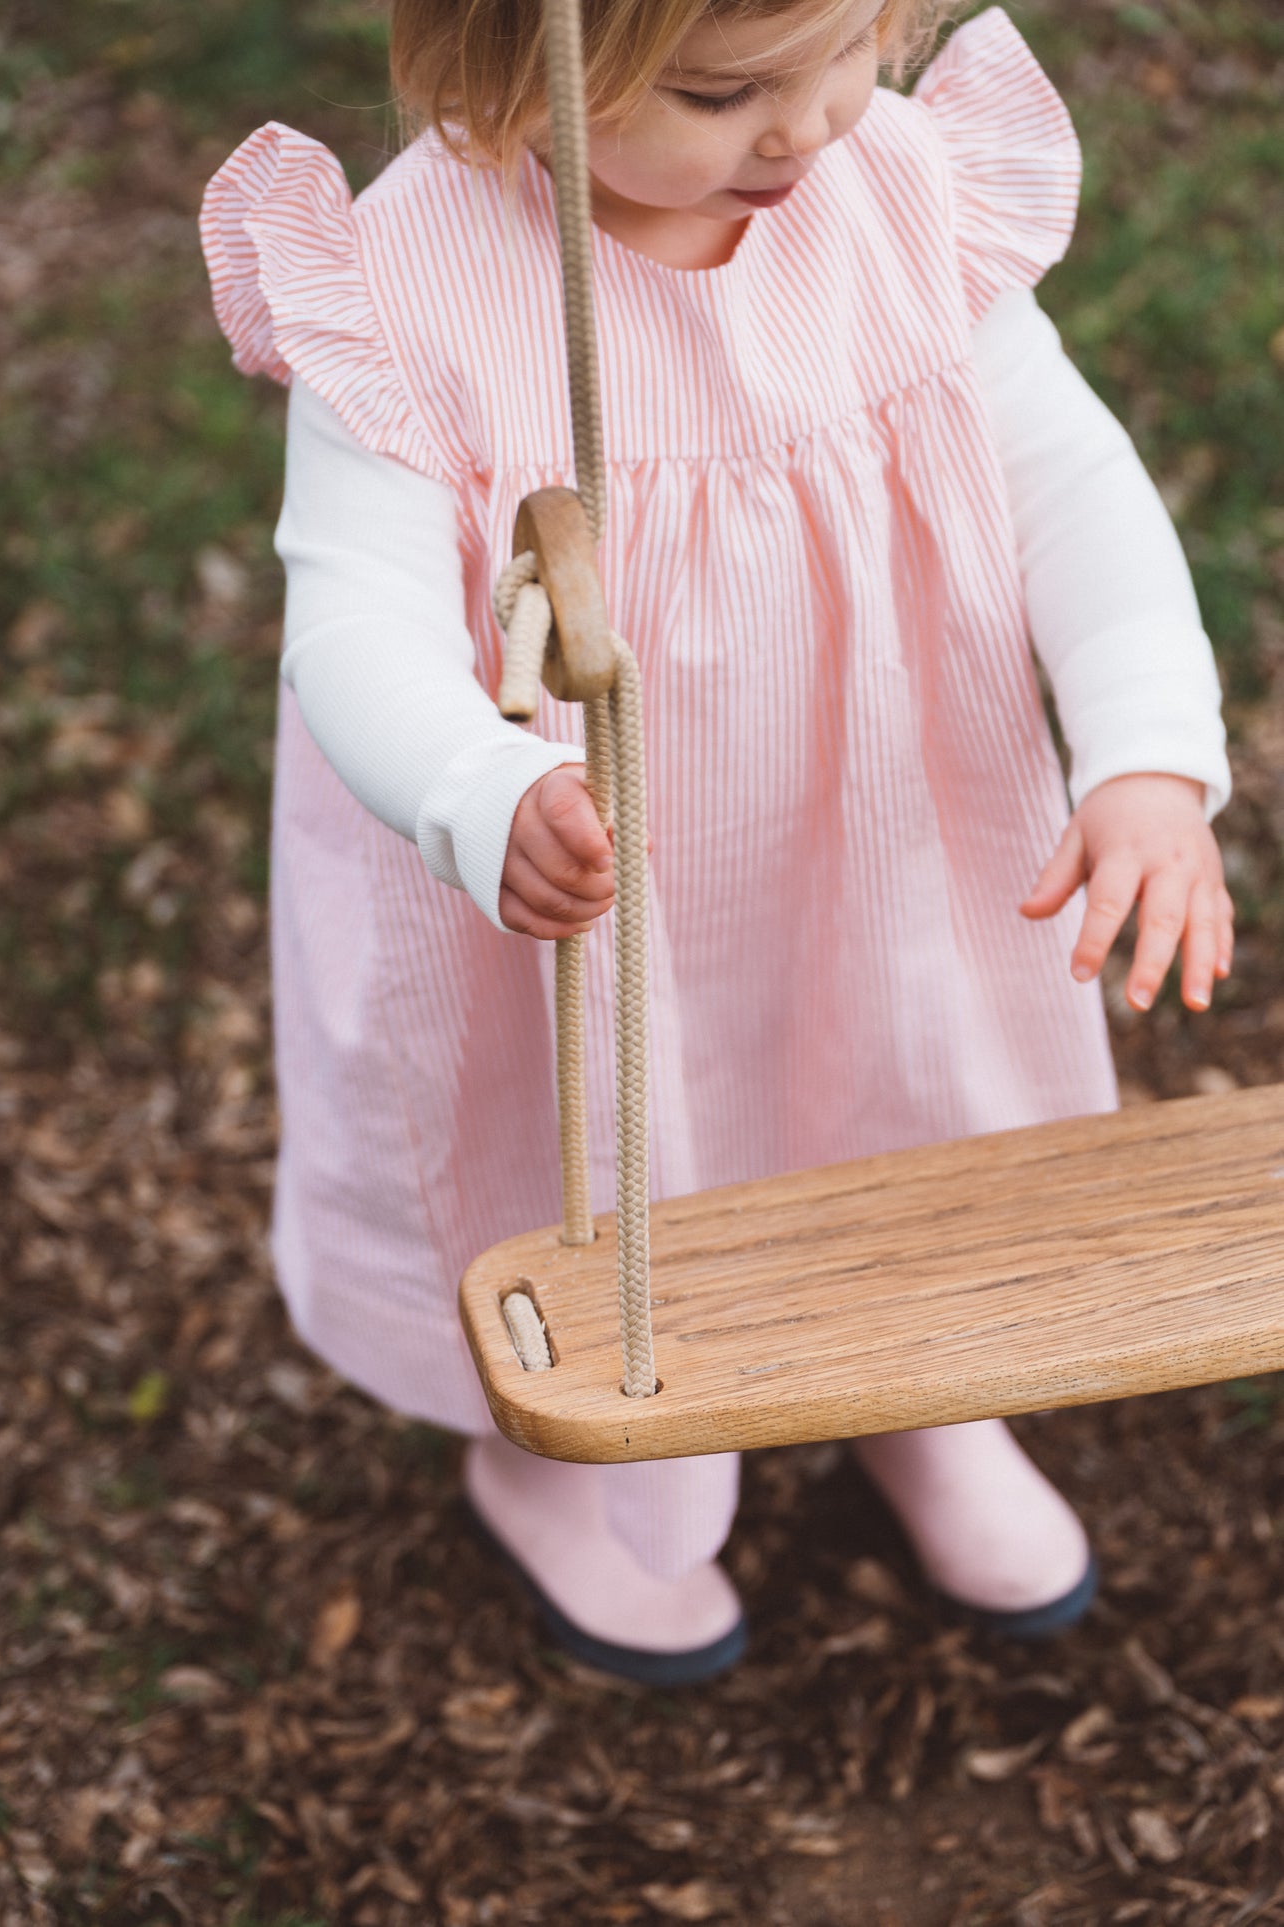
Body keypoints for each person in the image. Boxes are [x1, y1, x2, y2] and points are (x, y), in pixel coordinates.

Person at [199, 0, 1233, 1683]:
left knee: (904, 1074)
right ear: (491, 56)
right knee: (601, 1154)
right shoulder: (405, 286)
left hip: (881, 805)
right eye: (721, 90)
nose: (808, 128)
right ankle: (593, 1477)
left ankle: (919, 1383)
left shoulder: (887, 189)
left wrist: (1144, 755)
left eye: (849, 51)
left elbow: (1071, 484)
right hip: (584, 867)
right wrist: (477, 784)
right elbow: (355, 625)